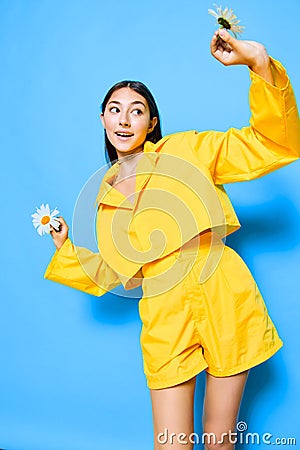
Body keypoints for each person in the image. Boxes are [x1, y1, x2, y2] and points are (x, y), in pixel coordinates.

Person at [44, 28, 300, 450]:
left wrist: (258, 64)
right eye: (115, 109)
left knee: (220, 442)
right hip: (164, 313)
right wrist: (67, 251)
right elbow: (119, 275)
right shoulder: (104, 200)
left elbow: (271, 143)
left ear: (152, 121)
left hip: (223, 293)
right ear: (104, 119)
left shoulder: (187, 151)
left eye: (137, 110)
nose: (125, 119)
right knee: (172, 445)